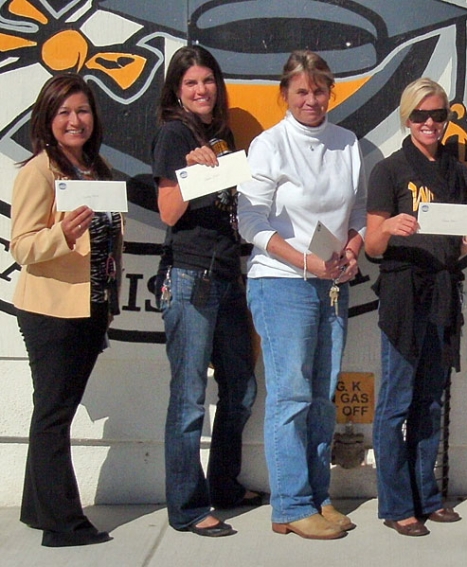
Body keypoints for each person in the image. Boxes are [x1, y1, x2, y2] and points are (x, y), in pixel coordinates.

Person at [238, 49, 366, 540]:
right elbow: (250, 221)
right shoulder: (269, 145)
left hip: (332, 285)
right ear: (285, 95)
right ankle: (289, 504)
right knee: (290, 394)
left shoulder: (347, 142)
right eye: (301, 91)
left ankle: (317, 496)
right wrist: (306, 262)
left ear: (330, 91)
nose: (311, 100)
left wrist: (352, 249)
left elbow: (357, 213)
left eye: (319, 90)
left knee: (321, 397)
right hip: (280, 283)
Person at [366, 78, 467, 537]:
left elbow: (462, 237)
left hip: (442, 290)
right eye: (420, 115)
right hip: (402, 293)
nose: (430, 123)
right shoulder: (390, 170)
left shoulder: (458, 171)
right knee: (396, 403)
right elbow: (373, 247)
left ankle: (428, 496)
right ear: (407, 118)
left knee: (431, 401)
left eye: (437, 115)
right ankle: (397, 504)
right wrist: (392, 226)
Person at [11, 74, 122, 547]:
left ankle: (38, 510)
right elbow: (22, 246)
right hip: (51, 311)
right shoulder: (38, 171)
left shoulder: (96, 167)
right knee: (54, 416)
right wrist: (65, 233)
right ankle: (63, 525)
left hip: (90, 306)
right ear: (48, 119)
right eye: (64, 113)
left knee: (52, 411)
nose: (75, 120)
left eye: (82, 111)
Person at [153, 45, 259, 538]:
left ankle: (224, 486)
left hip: (226, 275)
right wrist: (195, 173)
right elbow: (169, 213)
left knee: (241, 387)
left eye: (208, 81)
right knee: (190, 397)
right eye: (191, 83)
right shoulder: (175, 134)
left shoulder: (221, 134)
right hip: (190, 276)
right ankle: (188, 508)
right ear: (177, 90)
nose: (201, 90)